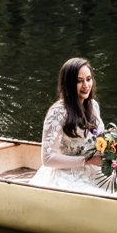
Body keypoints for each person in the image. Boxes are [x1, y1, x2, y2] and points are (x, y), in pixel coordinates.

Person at [30, 58, 105, 193]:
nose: (86, 85)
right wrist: (87, 161)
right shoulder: (57, 112)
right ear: (69, 83)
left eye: (88, 79)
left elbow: (99, 138)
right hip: (66, 175)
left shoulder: (93, 106)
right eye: (79, 81)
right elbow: (47, 159)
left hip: (93, 171)